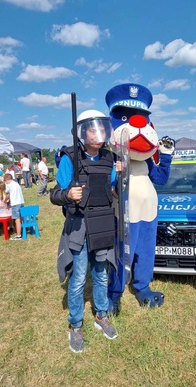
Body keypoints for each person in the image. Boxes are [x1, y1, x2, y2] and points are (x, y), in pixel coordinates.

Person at [50, 109, 120, 354]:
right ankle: (75, 324)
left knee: (101, 274)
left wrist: (122, 179)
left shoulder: (110, 158)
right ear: (82, 132)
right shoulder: (71, 157)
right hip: (79, 225)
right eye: (92, 129)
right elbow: (54, 194)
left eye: (101, 128)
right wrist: (68, 194)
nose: (97, 134)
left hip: (102, 223)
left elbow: (114, 192)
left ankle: (101, 315)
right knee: (79, 278)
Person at [4, 173, 25, 240]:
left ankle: (18, 235)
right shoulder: (16, 184)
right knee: (21, 218)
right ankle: (21, 231)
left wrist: (5, 201)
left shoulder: (9, 185)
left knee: (16, 220)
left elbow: (7, 195)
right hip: (21, 202)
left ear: (6, 180)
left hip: (15, 204)